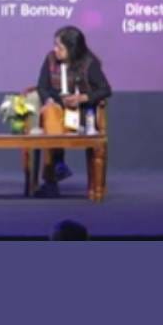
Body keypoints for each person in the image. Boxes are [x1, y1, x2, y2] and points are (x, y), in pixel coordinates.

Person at [34, 26, 112, 198]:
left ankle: (58, 168)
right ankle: (56, 168)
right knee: (50, 114)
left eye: (60, 47)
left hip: (81, 114)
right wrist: (48, 100)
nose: (55, 49)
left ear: (72, 48)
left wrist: (83, 98)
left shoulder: (89, 63)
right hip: (57, 111)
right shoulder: (50, 59)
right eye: (55, 45)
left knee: (54, 123)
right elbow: (42, 87)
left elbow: (105, 90)